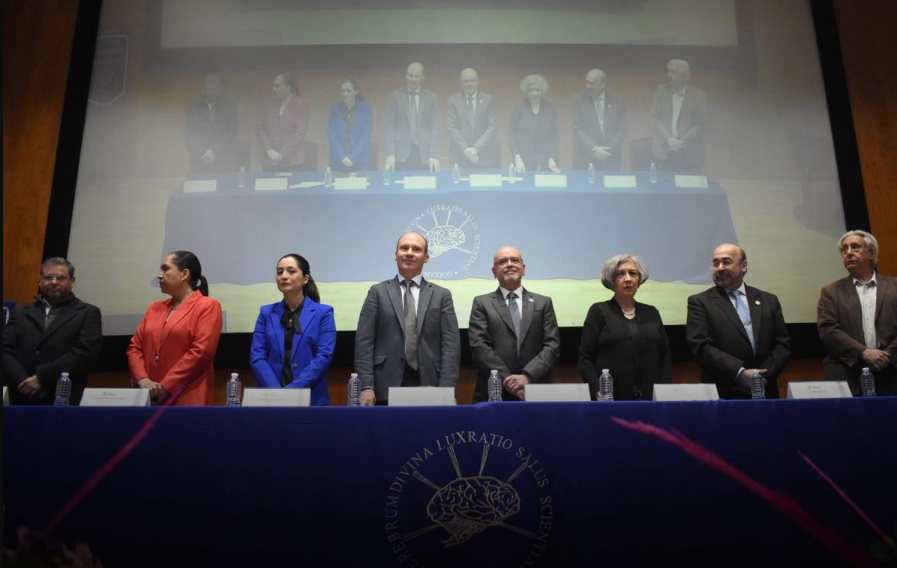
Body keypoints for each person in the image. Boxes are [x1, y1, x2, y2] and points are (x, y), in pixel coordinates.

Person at [354, 232, 460, 405]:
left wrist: (448, 389)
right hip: (384, 386)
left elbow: (451, 347)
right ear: (395, 255)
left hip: (431, 385)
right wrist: (366, 386)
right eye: (404, 248)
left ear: (426, 257)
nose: (409, 253)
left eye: (416, 249)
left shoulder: (442, 295)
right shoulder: (377, 292)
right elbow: (364, 343)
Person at [686, 244, 791, 399]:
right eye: (715, 263)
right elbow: (700, 345)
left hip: (765, 389)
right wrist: (740, 373)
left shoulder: (768, 300)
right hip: (724, 392)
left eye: (726, 262)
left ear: (744, 266)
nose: (720, 267)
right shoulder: (700, 302)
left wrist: (759, 378)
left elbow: (782, 344)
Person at [127, 251, 222, 405]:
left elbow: (201, 352)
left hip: (187, 398)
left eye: (165, 269)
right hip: (147, 398)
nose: (159, 275)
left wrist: (166, 386)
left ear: (184, 274)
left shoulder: (207, 306)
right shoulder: (154, 308)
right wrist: (142, 379)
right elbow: (135, 348)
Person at [3, 257, 102, 405]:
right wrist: (24, 382)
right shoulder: (20, 312)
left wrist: (42, 378)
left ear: (72, 281)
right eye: (48, 277)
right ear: (40, 280)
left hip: (63, 397)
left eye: (61, 278)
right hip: (20, 395)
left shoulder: (88, 312)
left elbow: (85, 353)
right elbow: (5, 350)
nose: (54, 282)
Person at [469, 246, 560, 402]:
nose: (509, 264)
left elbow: (552, 346)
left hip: (536, 388)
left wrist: (527, 376)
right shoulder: (481, 303)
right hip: (495, 390)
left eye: (515, 260)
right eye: (502, 262)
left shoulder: (543, 302)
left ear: (523, 268)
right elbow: (479, 347)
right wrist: (509, 380)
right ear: (494, 271)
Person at [579, 255, 671, 400]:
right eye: (620, 274)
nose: (627, 279)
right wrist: (597, 390)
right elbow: (585, 357)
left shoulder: (652, 312)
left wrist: (665, 392)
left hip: (652, 400)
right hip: (611, 400)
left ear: (639, 280)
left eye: (633, 273)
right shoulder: (599, 311)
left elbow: (665, 356)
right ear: (611, 280)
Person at [817, 230, 897, 395]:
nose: (849, 253)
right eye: (844, 249)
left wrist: (887, 355)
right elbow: (828, 329)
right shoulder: (831, 291)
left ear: (872, 252)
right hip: (848, 372)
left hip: (891, 369)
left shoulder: (894, 286)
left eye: (855, 247)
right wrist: (863, 352)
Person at [250, 254, 336, 405]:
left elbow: (323, 357)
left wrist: (291, 392)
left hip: (311, 399)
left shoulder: (323, 313)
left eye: (291, 271)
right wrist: (277, 395)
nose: (284, 276)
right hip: (269, 400)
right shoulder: (266, 313)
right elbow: (257, 357)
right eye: (279, 272)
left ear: (305, 279)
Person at [650, 59, 708, 173]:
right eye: (668, 71)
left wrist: (681, 142)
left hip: (688, 153)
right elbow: (655, 117)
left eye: (673, 72)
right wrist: (669, 138)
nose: (669, 76)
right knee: (664, 187)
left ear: (683, 75)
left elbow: (700, 124)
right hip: (663, 150)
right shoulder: (661, 91)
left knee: (687, 188)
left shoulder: (698, 96)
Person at [383, 62, 441, 172]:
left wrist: (433, 155)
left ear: (423, 77)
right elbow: (389, 127)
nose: (413, 79)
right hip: (400, 154)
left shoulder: (432, 97)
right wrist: (390, 154)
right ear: (405, 76)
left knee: (424, 187)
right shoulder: (395, 96)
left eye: (417, 76)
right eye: (410, 76)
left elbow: (436, 128)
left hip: (424, 154)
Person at [571, 68, 627, 170]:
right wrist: (594, 149)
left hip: (611, 157)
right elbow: (577, 128)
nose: (588, 86)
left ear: (603, 84)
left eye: (592, 84)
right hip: (586, 157)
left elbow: (622, 129)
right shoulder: (578, 99)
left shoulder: (618, 100)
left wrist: (607, 151)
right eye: (587, 82)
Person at [184, 73, 240, 174]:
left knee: (223, 188)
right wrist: (202, 152)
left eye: (217, 89)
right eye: (211, 90)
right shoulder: (193, 107)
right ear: (203, 90)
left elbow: (232, 132)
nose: (214, 92)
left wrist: (214, 150)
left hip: (223, 159)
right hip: (198, 160)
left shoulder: (230, 105)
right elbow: (188, 133)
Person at [446, 68, 497, 169]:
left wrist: (476, 149)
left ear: (477, 81)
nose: (469, 84)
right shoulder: (453, 100)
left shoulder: (488, 100)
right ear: (461, 82)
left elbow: (492, 128)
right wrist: (466, 150)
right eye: (465, 81)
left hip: (483, 155)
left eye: (472, 81)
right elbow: (451, 128)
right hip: (460, 155)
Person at [508, 74, 560, 173]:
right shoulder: (518, 108)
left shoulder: (550, 108)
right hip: (523, 160)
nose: (534, 93)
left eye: (537, 90)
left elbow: (555, 135)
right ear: (526, 91)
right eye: (531, 90)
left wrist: (552, 157)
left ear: (542, 91)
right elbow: (511, 135)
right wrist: (517, 157)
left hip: (547, 160)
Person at [257, 73, 309, 171]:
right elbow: (261, 128)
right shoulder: (267, 103)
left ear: (288, 87)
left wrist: (281, 155)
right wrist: (269, 150)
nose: (273, 89)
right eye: (273, 86)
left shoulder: (301, 105)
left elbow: (299, 133)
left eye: (277, 86)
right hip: (269, 161)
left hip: (292, 162)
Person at [326, 79, 373, 172]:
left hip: (360, 161)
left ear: (356, 92)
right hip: (338, 161)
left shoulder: (366, 109)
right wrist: (342, 157)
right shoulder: (335, 109)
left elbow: (366, 135)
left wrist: (352, 156)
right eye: (342, 91)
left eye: (348, 91)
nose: (345, 94)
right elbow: (331, 135)